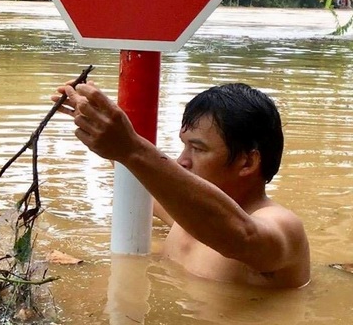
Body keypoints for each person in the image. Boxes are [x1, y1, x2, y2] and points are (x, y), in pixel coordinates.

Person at [54, 81, 310, 289]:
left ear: (247, 162)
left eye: (197, 148)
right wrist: (99, 127)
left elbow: (240, 236)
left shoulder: (283, 226)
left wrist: (131, 148)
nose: (181, 161)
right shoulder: (185, 214)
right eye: (184, 145)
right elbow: (151, 181)